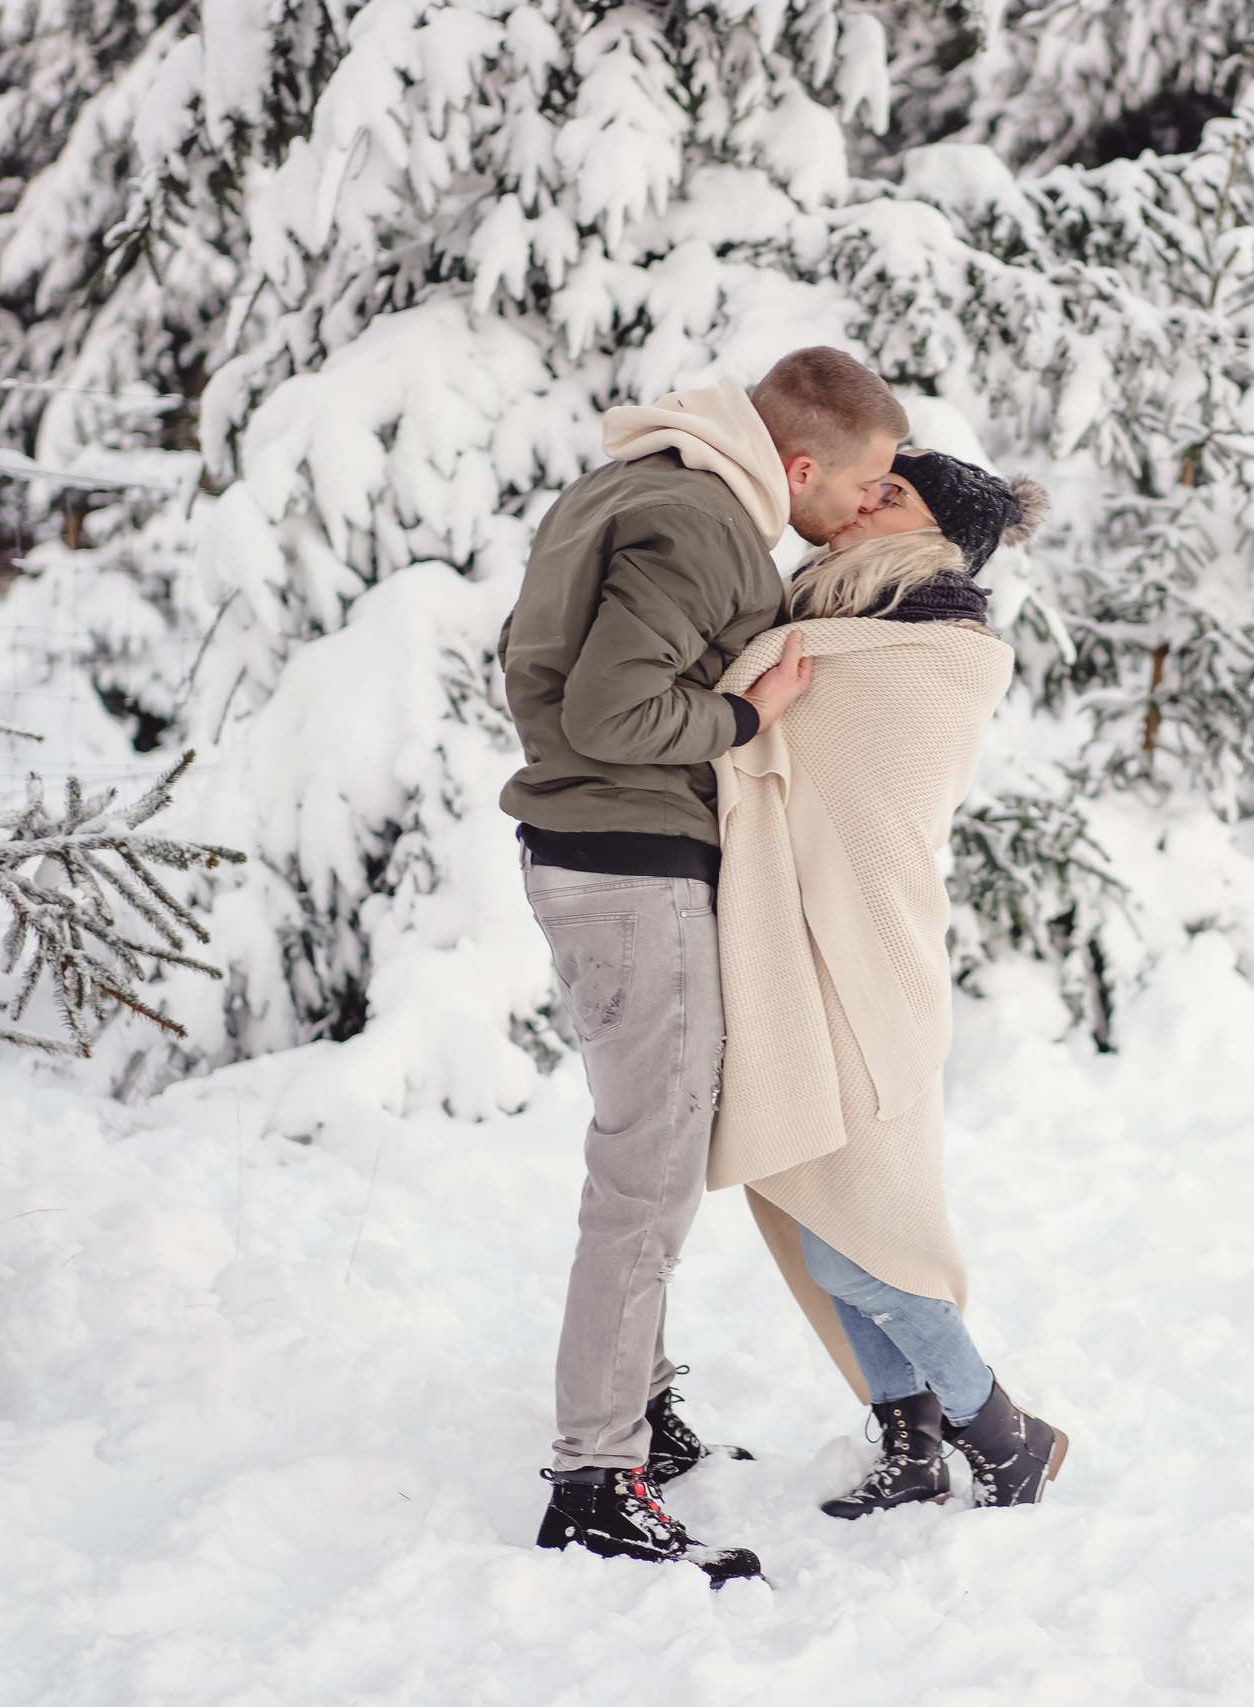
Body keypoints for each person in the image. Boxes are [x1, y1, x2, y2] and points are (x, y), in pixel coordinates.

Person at [498, 348, 908, 1585]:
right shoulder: (702, 520)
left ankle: (638, 1414)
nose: (866, 508)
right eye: (866, 482)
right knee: (650, 1171)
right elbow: (610, 714)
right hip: (628, 862)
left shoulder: (643, 483)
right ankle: (594, 1477)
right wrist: (746, 719)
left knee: (652, 1148)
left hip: (602, 854)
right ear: (799, 465)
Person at [708, 448, 1069, 1521]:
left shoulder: (940, 647)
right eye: (870, 483)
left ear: (935, 535)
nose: (863, 499)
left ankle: (1005, 1431)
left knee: (862, 1235)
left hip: (873, 959)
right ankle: (910, 1443)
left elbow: (774, 722)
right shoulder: (820, 616)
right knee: (825, 1207)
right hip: (800, 948)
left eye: (892, 493)